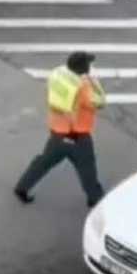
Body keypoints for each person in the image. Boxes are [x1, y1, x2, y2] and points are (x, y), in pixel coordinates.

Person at [14, 51, 106, 208]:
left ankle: (22, 187)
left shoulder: (58, 73)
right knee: (87, 168)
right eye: (89, 64)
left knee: (44, 162)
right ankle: (95, 198)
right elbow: (100, 103)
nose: (91, 66)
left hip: (58, 130)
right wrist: (94, 82)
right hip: (77, 136)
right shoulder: (83, 88)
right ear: (83, 69)